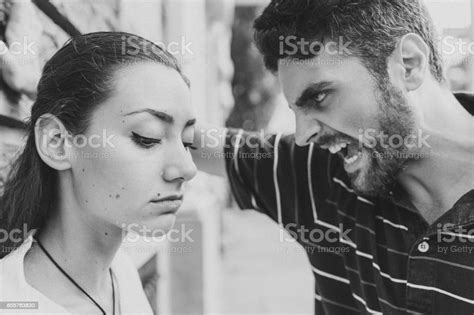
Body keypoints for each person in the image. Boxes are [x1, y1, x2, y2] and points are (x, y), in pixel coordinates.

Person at [193, 0, 474, 313]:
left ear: (408, 64)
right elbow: (183, 141)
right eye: (296, 110)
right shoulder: (325, 170)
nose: (303, 135)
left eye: (319, 97)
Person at [0, 32, 197, 314]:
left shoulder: (121, 272)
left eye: (187, 141)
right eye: (147, 137)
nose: (187, 168)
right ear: (56, 142)